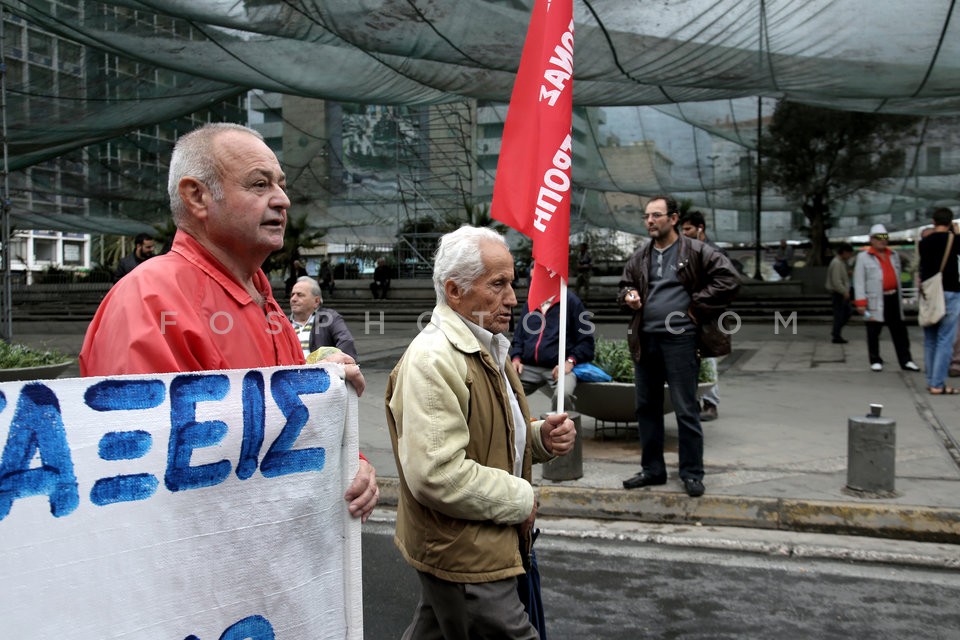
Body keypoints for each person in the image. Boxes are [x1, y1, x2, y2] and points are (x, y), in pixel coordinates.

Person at [80, 122, 378, 523]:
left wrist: (347, 447)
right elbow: (144, 477)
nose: (283, 200)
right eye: (260, 185)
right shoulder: (147, 300)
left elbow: (288, 424)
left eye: (281, 184)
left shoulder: (263, 297)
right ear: (197, 196)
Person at [386, 225, 576, 639]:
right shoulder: (434, 360)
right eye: (498, 284)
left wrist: (539, 438)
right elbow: (438, 474)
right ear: (454, 291)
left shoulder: (487, 343)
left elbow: (488, 433)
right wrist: (521, 497)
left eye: (512, 282)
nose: (513, 298)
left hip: (473, 542)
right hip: (466, 553)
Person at [619, 195, 740, 498]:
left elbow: (729, 279)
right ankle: (653, 470)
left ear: (673, 219)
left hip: (681, 340)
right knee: (646, 408)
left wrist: (696, 306)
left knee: (686, 409)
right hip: (646, 341)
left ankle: (692, 473)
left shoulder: (698, 251)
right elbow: (624, 285)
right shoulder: (640, 256)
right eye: (647, 216)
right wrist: (628, 295)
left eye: (656, 215)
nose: (650, 221)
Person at [510, 288, 595, 412]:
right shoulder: (531, 302)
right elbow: (519, 336)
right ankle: (512, 429)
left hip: (559, 367)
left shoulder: (571, 301)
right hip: (529, 367)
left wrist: (570, 362)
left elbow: (586, 342)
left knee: (563, 395)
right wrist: (516, 358)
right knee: (503, 391)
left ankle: (563, 429)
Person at [853, 224, 921, 373]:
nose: (882, 241)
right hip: (874, 300)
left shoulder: (894, 255)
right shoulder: (863, 257)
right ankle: (875, 359)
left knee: (900, 331)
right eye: (879, 238)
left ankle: (906, 360)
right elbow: (859, 281)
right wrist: (860, 302)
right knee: (873, 330)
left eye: (885, 238)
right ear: (871, 239)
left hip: (893, 298)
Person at [679, 210, 724, 422]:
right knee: (690, 359)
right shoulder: (685, 252)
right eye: (682, 229)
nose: (684, 233)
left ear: (700, 228)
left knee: (708, 359)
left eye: (688, 229)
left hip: (707, 315)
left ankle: (711, 403)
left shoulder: (712, 252)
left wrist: (700, 301)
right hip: (686, 314)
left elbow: (723, 284)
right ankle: (695, 401)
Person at [917, 208, 960, 395]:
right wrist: (956, 233)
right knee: (945, 340)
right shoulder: (955, 240)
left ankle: (931, 381)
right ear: (951, 222)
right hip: (950, 292)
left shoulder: (924, 243)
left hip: (930, 294)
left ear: (933, 222)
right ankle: (938, 383)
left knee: (930, 340)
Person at [289, 275, 359, 361]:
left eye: (300, 295)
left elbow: (346, 342)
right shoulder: (283, 323)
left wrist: (329, 363)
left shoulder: (329, 318)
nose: (293, 299)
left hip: (320, 372)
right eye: (292, 295)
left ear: (316, 301)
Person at [825, 242, 855, 344]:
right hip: (838, 293)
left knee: (845, 313)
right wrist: (844, 292)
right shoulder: (837, 263)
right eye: (849, 254)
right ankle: (836, 334)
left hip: (841, 292)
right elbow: (836, 281)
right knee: (841, 314)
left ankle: (836, 332)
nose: (850, 256)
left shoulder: (841, 262)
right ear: (845, 252)